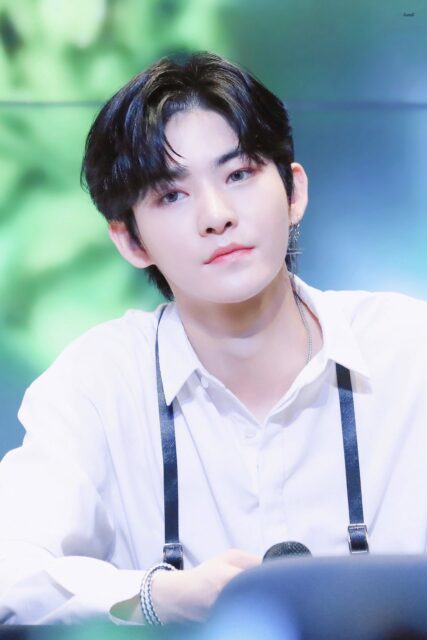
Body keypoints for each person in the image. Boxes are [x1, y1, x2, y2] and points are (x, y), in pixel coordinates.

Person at [0, 51, 426, 626]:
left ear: (294, 191)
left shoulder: (409, 350)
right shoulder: (97, 385)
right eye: (171, 195)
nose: (216, 215)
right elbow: (10, 571)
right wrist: (160, 596)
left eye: (239, 174)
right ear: (130, 240)